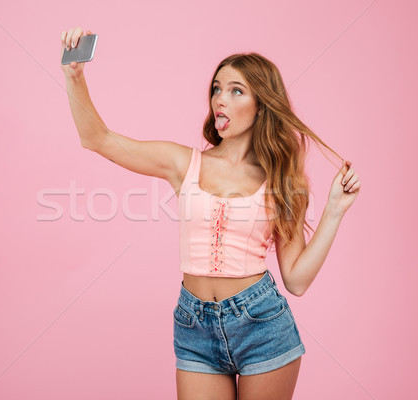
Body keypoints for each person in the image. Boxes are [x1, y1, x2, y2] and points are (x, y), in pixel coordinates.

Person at [60, 26, 361, 400]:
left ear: (262, 104)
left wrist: (334, 212)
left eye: (236, 90)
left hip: (263, 325)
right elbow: (97, 138)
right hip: (194, 325)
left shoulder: (282, 182)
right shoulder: (182, 162)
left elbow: (296, 281)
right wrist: (74, 76)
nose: (220, 98)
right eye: (217, 88)